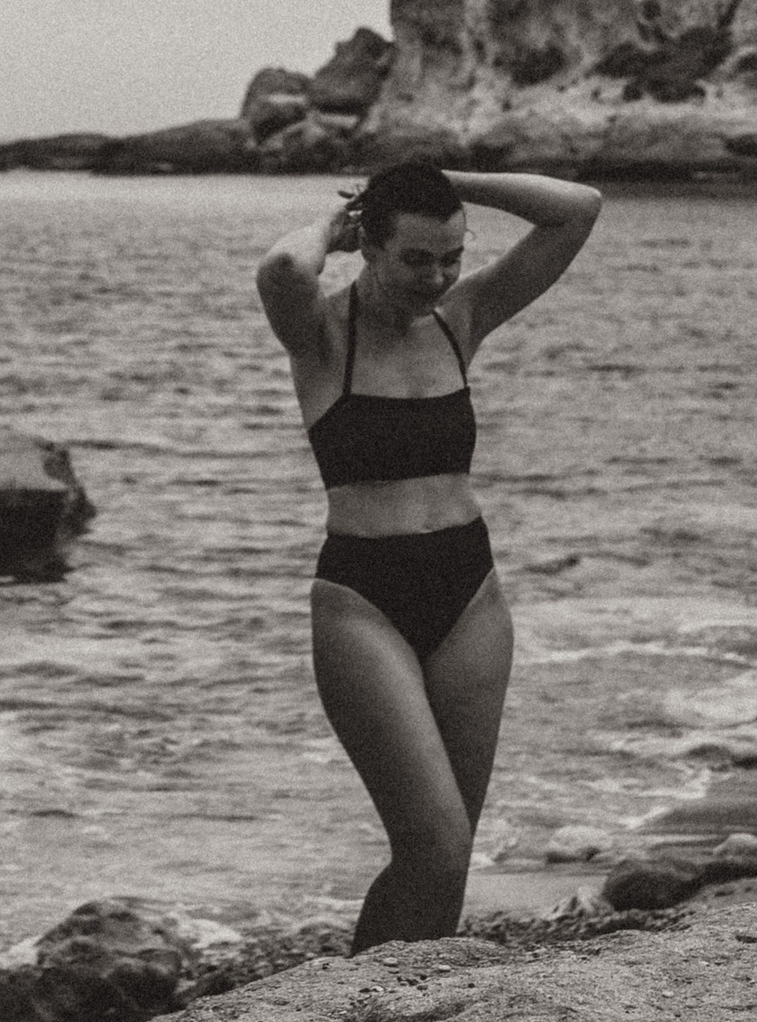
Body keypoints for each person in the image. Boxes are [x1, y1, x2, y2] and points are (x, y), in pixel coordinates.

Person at [255, 159, 602, 949]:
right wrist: (334, 225)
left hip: (470, 594)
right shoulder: (318, 336)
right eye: (417, 258)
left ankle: (415, 1009)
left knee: (451, 856)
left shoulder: (464, 317)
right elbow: (282, 268)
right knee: (432, 842)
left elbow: (578, 209)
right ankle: (355, 1010)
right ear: (368, 248)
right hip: (363, 602)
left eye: (451, 256)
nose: (438, 277)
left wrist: (442, 178)